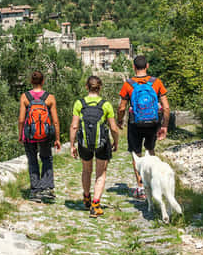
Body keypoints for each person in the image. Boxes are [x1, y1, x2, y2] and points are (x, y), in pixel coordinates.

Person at [116, 55, 169, 200]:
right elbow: (166, 106)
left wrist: (119, 121)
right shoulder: (156, 82)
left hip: (135, 123)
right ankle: (153, 183)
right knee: (150, 150)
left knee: (136, 153)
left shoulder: (128, 84)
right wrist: (164, 125)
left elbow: (121, 108)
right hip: (153, 122)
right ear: (147, 66)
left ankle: (140, 188)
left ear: (134, 67)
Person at [69, 75, 120, 217]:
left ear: (87, 87)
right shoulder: (106, 105)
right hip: (102, 143)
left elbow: (74, 126)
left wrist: (72, 145)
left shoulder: (79, 103)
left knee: (86, 170)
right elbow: (114, 128)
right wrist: (115, 142)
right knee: (100, 173)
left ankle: (86, 198)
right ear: (100, 88)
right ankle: (96, 204)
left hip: (84, 144)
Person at [18, 70, 61, 201]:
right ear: (43, 81)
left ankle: (35, 192)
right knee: (46, 158)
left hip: (29, 134)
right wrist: (58, 138)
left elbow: (21, 119)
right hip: (46, 135)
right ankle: (47, 188)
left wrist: (20, 135)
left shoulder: (25, 97)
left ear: (31, 82)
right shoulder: (50, 97)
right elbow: (55, 120)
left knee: (32, 160)